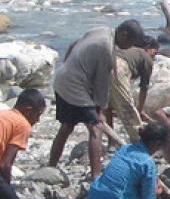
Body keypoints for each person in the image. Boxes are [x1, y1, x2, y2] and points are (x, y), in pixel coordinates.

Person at [49, 20, 144, 179]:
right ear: (124, 35)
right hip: (75, 87)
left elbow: (73, 44)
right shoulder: (105, 48)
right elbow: (102, 84)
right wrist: (100, 110)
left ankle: (50, 166)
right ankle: (96, 176)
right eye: (130, 43)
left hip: (62, 78)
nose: (130, 47)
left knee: (67, 126)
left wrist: (68, 65)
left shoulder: (102, 30)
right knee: (96, 129)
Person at [87, 122, 169, 199]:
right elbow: (147, 198)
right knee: (154, 187)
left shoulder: (125, 148)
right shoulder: (147, 163)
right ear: (157, 144)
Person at [107, 36, 159, 143]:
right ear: (148, 47)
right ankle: (139, 141)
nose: (154, 58)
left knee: (107, 106)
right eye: (154, 53)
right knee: (129, 111)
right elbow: (144, 88)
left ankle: (111, 140)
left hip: (102, 65)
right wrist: (139, 111)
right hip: (118, 68)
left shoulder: (127, 49)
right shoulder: (146, 57)